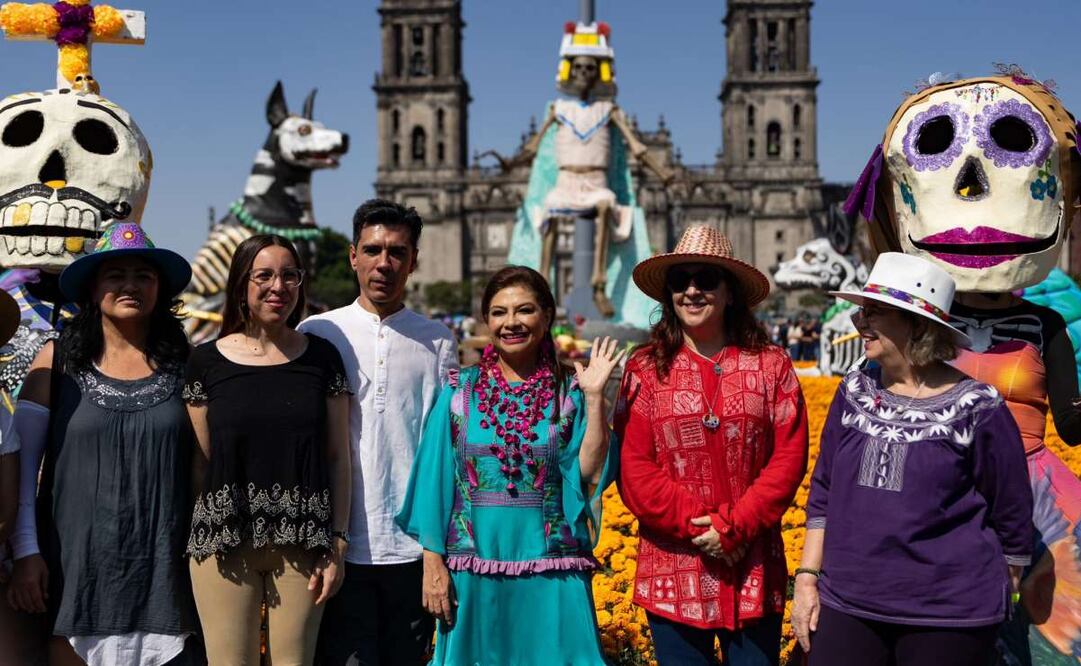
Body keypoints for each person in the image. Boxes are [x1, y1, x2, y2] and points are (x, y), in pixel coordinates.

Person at [791, 253, 1033, 666]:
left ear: (918, 325)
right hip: (848, 599)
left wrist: (1005, 586)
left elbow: (1011, 508)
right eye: (862, 311)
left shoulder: (977, 407)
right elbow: (824, 488)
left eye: (874, 313)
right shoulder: (854, 389)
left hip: (948, 614)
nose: (859, 322)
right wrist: (807, 579)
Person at [396, 265, 623, 665]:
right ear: (487, 320)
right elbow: (434, 482)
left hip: (554, 571)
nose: (511, 322)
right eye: (499, 312)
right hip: (473, 572)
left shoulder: (569, 392)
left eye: (525, 310)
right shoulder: (458, 393)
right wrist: (433, 564)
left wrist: (593, 399)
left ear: (547, 316)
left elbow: (588, 473)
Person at [6, 223, 201, 666]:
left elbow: (202, 467)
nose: (130, 285)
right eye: (116, 275)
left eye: (143, 276)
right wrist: (27, 552)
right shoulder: (55, 362)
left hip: (165, 571)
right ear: (93, 289)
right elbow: (23, 471)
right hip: (75, 573)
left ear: (160, 289)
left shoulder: (187, 365)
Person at [615, 225, 809, 666]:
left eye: (705, 279)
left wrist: (736, 527)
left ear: (730, 292)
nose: (691, 290)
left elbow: (788, 457)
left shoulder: (771, 365)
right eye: (679, 281)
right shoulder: (645, 369)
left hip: (752, 565)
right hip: (675, 568)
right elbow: (634, 468)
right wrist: (706, 529)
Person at [297, 199, 457, 666]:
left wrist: (436, 549)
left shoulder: (437, 340)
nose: (383, 263)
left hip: (411, 549)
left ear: (413, 261)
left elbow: (444, 449)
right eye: (372, 250)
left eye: (397, 252)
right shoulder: (319, 331)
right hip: (336, 547)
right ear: (353, 256)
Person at [184, 234, 351, 666]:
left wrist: (338, 543)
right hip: (223, 542)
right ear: (241, 283)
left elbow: (338, 458)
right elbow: (200, 463)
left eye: (289, 275)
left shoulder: (323, 358)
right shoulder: (204, 362)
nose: (278, 286)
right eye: (264, 275)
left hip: (304, 542)